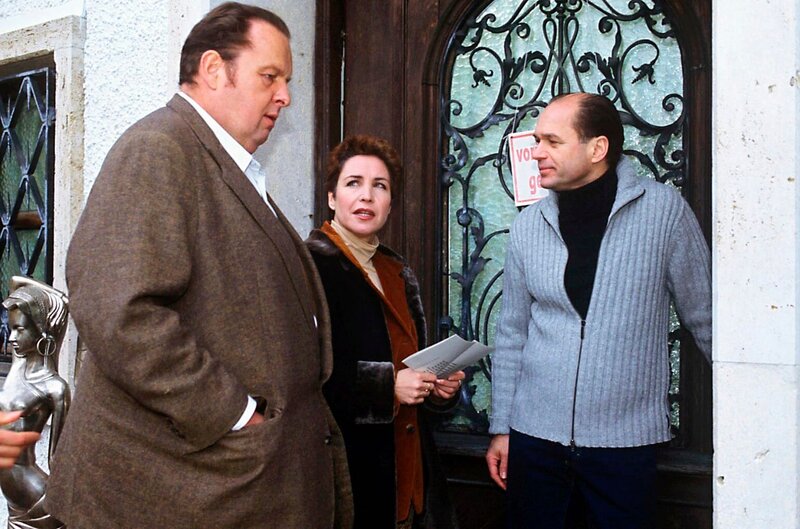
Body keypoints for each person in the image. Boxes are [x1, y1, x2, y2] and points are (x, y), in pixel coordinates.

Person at [44, 3, 352, 528]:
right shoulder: (157, 149)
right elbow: (120, 313)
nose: (285, 96)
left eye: (286, 81)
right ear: (213, 69)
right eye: (270, 77)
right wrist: (234, 414)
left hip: (232, 486)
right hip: (185, 490)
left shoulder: (220, 159)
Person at [485, 93, 711, 529]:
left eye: (552, 141)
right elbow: (512, 334)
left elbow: (705, 317)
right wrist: (502, 428)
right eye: (536, 140)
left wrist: (763, 405)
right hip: (534, 444)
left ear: (597, 148)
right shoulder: (529, 225)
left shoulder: (663, 212)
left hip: (624, 449)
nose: (536, 152)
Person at [306, 135, 463, 529]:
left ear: (390, 203)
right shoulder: (309, 266)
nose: (367, 196)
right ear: (331, 197)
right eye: (353, 183)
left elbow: (408, 362)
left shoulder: (395, 270)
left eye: (380, 186)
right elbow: (304, 373)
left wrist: (436, 387)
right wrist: (387, 387)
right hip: (349, 475)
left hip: (409, 475)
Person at [0, 277, 70, 528]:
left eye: (20, 329)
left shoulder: (54, 388)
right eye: (11, 328)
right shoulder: (18, 365)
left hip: (35, 499)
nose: (12, 338)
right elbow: (14, 281)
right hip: (13, 500)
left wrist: (62, 303)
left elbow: (58, 461)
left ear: (41, 330)